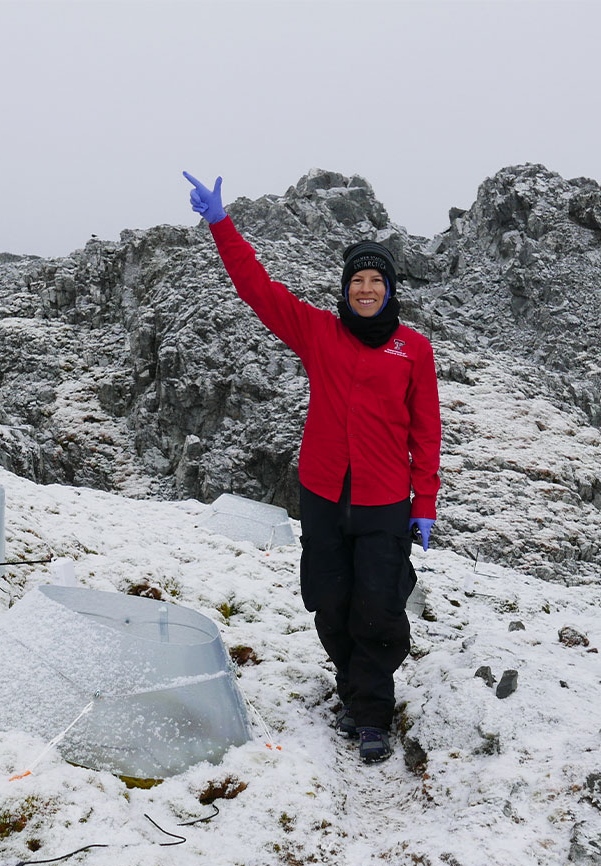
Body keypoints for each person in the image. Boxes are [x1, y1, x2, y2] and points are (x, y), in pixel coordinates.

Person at [183, 172, 442, 765]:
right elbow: (258, 290)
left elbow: (426, 431)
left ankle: (371, 711)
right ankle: (354, 688)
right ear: (345, 288)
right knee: (330, 600)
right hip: (325, 494)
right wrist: (222, 225)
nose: (367, 289)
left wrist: (423, 504)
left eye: (377, 280)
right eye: (358, 279)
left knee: (378, 607)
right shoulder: (319, 333)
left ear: (390, 289)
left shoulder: (414, 349)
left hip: (383, 501)